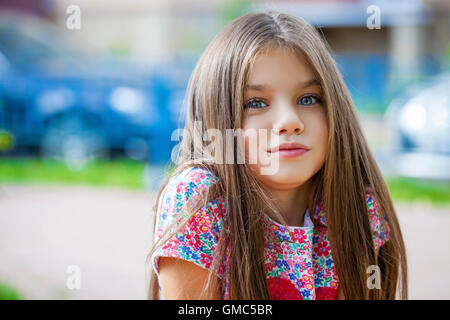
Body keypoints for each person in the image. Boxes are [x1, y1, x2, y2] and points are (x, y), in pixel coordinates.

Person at [147, 11, 408, 300]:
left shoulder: (358, 207)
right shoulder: (198, 198)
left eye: (308, 99)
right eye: (256, 103)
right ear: (216, 121)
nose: (289, 121)